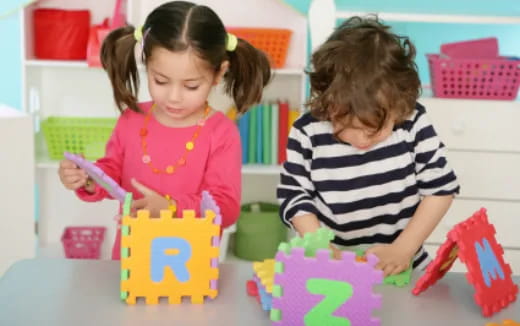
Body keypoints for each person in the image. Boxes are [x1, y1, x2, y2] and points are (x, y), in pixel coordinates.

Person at [58, 1, 271, 259]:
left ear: (218, 73)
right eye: (160, 81)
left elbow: (225, 208)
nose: (174, 97)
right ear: (146, 64)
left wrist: (171, 207)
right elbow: (112, 172)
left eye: (191, 86)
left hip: (192, 268)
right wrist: (89, 178)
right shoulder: (131, 119)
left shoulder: (221, 132)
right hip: (130, 260)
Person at [277, 16, 459, 276]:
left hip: (403, 261)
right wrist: (319, 245)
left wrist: (404, 248)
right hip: (333, 265)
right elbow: (294, 195)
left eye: (374, 131)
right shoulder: (307, 131)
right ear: (327, 101)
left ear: (400, 106)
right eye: (343, 124)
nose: (360, 140)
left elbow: (440, 189)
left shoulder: (413, 122)